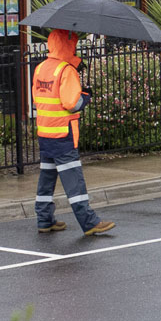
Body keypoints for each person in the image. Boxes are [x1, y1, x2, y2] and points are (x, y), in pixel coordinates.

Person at [32, 29, 115, 235]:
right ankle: (89, 222)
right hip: (63, 135)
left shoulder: (41, 68)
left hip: (45, 132)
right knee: (74, 181)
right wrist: (85, 96)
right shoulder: (66, 70)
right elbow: (71, 103)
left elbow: (39, 98)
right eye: (73, 44)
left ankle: (44, 220)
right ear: (68, 45)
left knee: (47, 179)